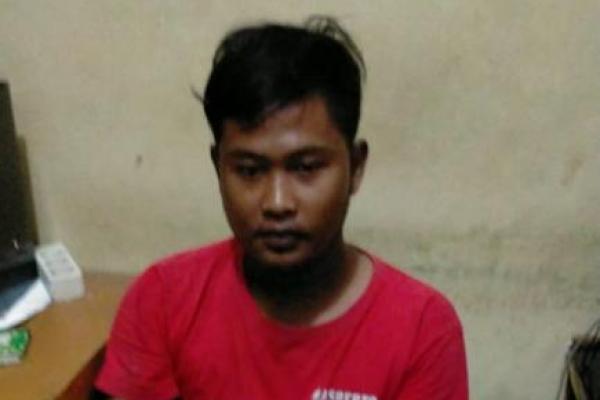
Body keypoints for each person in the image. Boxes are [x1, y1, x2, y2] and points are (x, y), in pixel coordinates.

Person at [95, 15, 468, 400]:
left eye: (306, 168)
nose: (277, 203)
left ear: (356, 167)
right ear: (219, 168)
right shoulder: (163, 300)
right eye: (249, 170)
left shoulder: (421, 329)